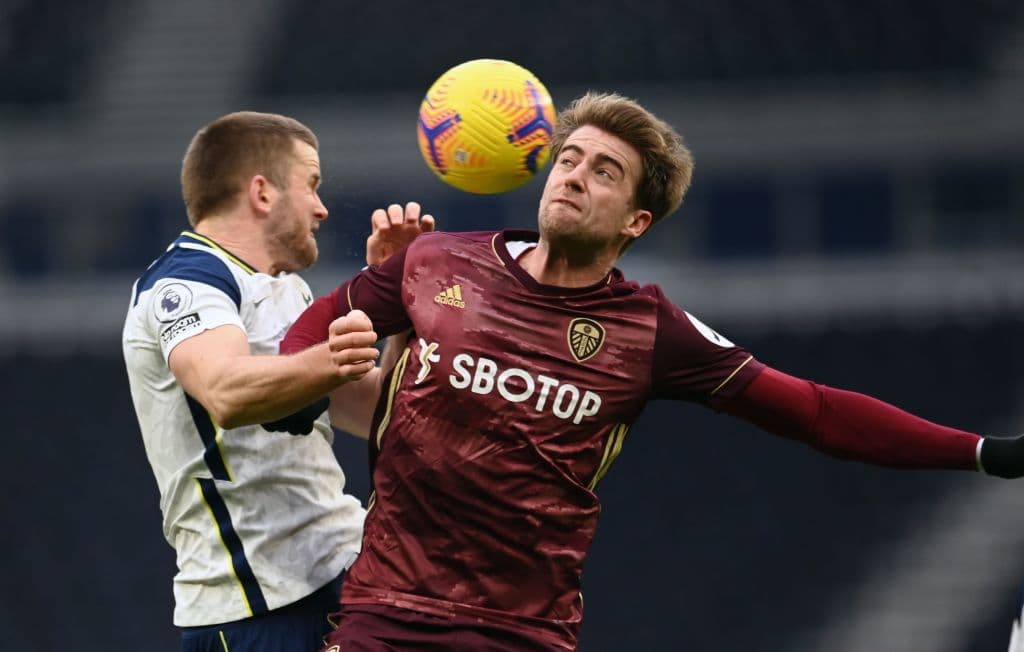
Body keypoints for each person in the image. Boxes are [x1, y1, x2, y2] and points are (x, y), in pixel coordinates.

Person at [282, 93, 1024, 651]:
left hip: (521, 631)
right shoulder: (434, 261)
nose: (573, 177)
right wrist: (290, 383)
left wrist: (981, 452)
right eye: (568, 159)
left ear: (636, 220)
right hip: (385, 612)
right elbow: (319, 320)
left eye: (603, 172)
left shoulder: (652, 330)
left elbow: (817, 412)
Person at [121, 111, 433, 651]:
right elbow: (225, 391)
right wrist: (330, 357)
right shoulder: (184, 285)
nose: (322, 207)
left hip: (346, 571)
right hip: (254, 607)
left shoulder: (287, 292)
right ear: (262, 193)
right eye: (311, 184)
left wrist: (396, 306)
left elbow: (382, 413)